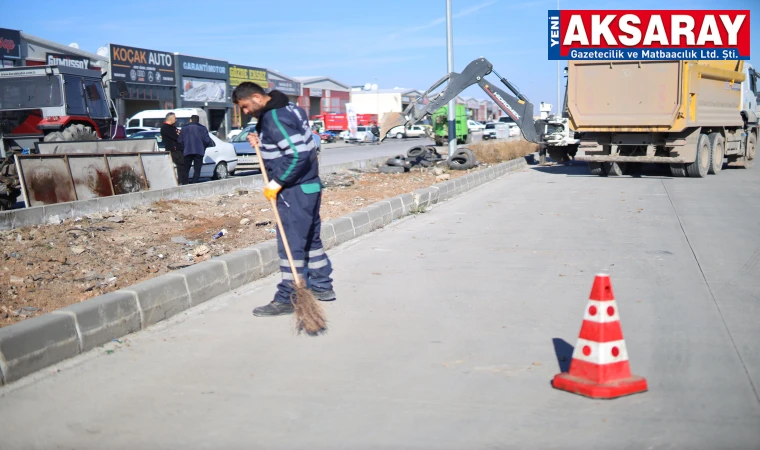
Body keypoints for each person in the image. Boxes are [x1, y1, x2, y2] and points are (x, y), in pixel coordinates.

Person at [232, 82, 335, 317]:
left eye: (246, 106)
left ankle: (289, 297)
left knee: (290, 244)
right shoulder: (292, 109)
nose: (246, 111)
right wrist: (261, 140)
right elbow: (296, 142)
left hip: (293, 190)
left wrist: (277, 182)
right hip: (309, 186)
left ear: (257, 97)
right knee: (310, 240)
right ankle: (322, 286)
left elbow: (299, 154)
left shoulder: (273, 118)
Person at [178, 115, 212, 184]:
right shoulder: (203, 128)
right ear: (198, 120)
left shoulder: (184, 128)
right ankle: (194, 184)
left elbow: (180, 141)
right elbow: (207, 141)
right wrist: (203, 147)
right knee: (197, 170)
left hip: (187, 151)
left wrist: (183, 148)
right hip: (199, 151)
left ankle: (185, 184)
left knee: (186, 169)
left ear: (190, 120)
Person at [160, 112, 186, 185]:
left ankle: (181, 181)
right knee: (182, 163)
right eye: (175, 118)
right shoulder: (165, 127)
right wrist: (178, 134)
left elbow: (180, 134)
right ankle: (180, 182)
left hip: (178, 149)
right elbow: (176, 137)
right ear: (170, 119)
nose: (176, 120)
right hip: (173, 150)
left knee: (182, 165)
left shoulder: (173, 127)